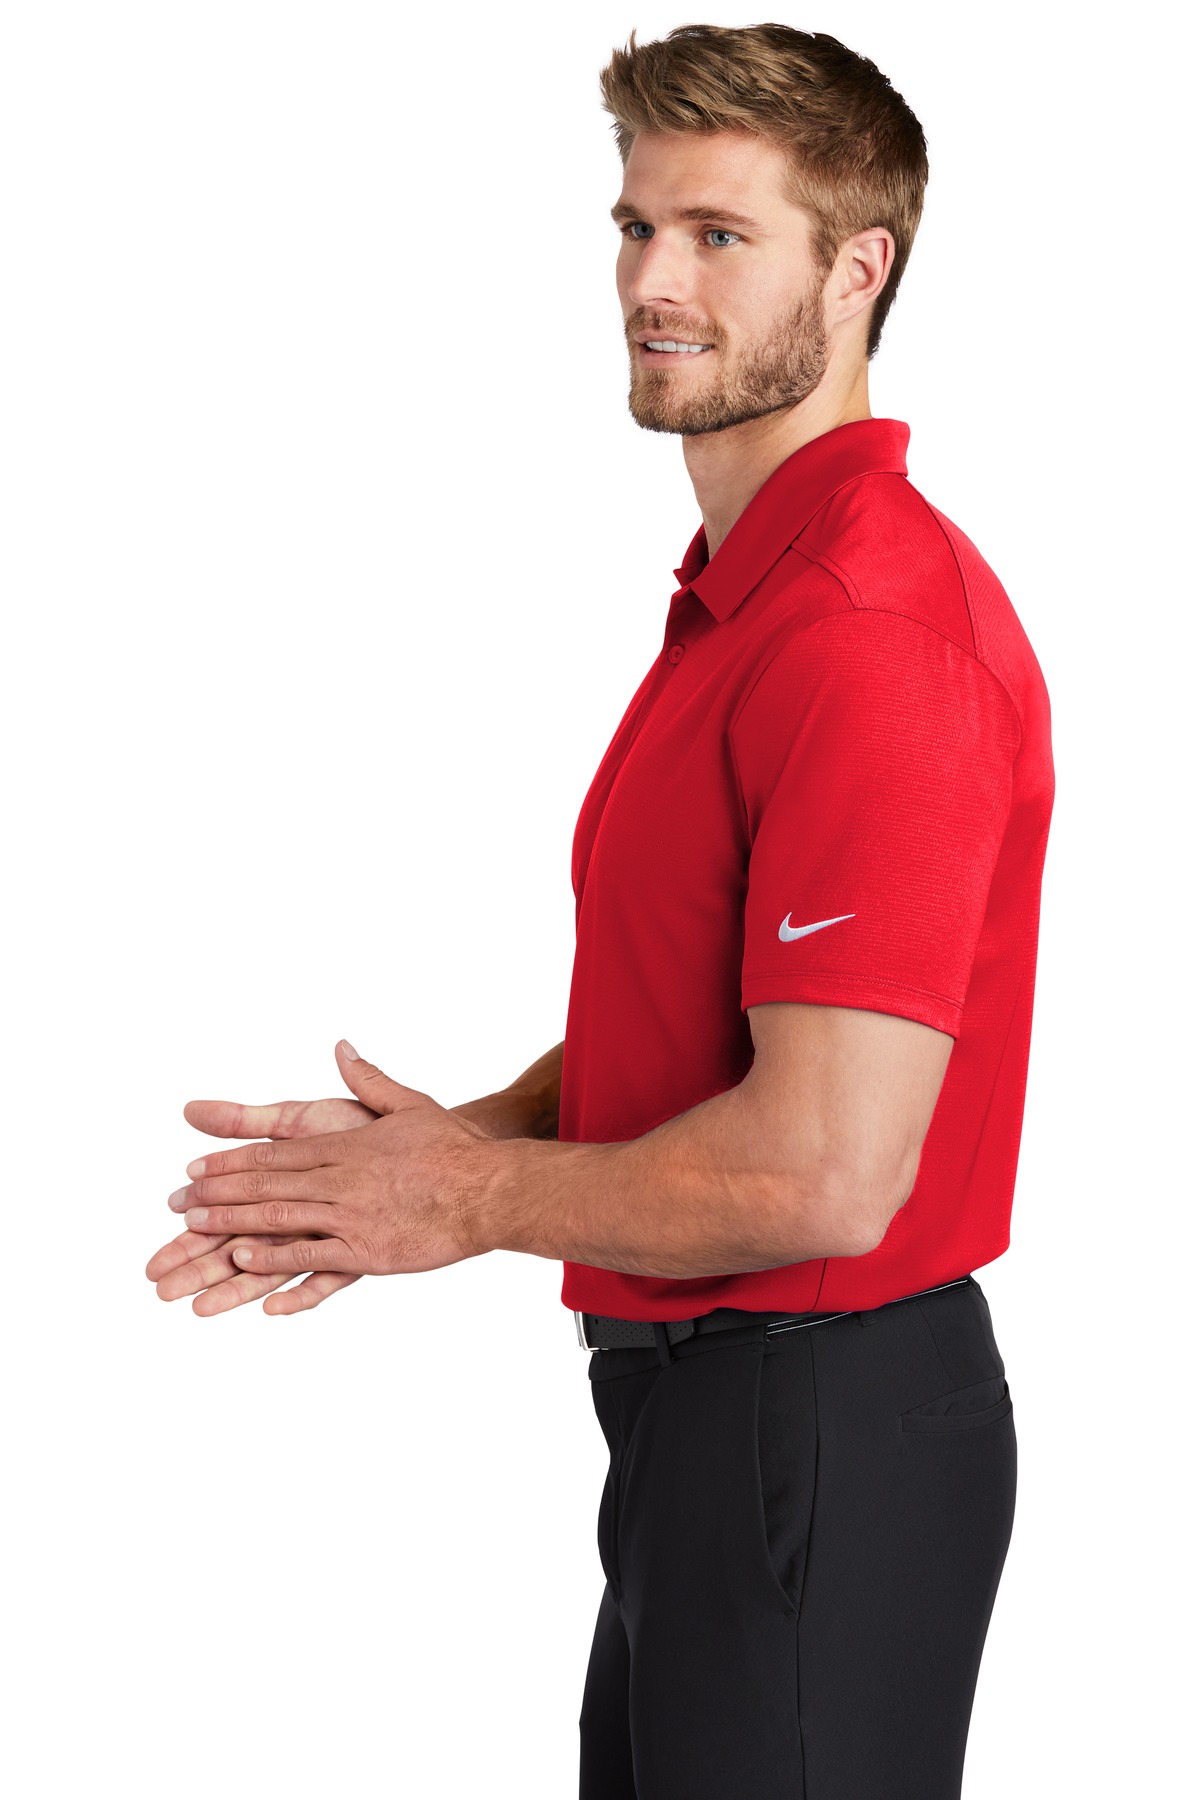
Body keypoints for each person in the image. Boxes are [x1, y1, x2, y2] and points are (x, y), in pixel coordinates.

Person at [146, 23, 1055, 1798]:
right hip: (711, 1418)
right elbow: (719, 1024)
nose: (653, 282)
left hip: (818, 1414)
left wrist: (462, 1199)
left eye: (720, 234)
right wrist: (450, 1143)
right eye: (636, 227)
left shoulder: (870, 637)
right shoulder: (747, 604)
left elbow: (823, 1170)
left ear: (857, 270)